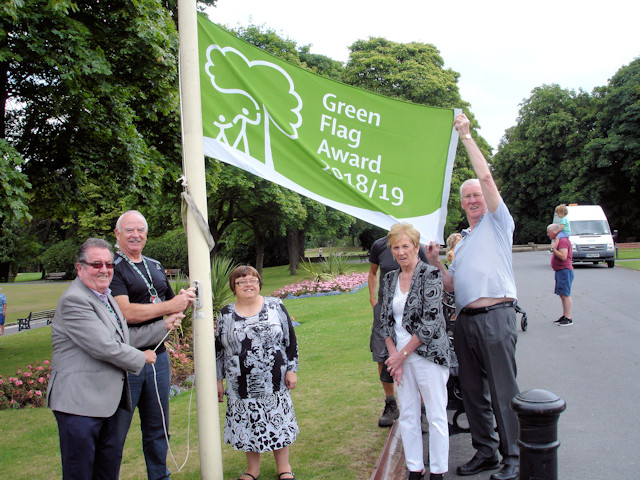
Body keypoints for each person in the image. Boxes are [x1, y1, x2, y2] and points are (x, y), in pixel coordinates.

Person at [427, 113, 520, 480]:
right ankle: (486, 451)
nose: (471, 199)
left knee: (502, 390)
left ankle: (513, 457)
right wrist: (437, 264)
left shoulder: (500, 225)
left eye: (477, 195)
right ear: (462, 204)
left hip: (497, 316)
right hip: (465, 322)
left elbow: (485, 176)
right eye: (466, 197)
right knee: (473, 392)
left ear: (487, 198)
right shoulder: (462, 242)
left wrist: (465, 136)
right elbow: (452, 286)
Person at [46, 238, 181, 480]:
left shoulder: (105, 297)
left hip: (106, 403)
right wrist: (142, 357)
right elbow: (105, 347)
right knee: (81, 473)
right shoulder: (75, 300)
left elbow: (123, 336)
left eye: (109, 265)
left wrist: (163, 326)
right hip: (79, 405)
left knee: (106, 470)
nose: (104, 270)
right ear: (80, 268)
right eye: (96, 264)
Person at [111, 210, 194, 480]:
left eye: (140, 230)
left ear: (146, 234)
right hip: (127, 360)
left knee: (159, 428)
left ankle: (160, 477)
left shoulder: (155, 265)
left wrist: (181, 300)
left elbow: (168, 302)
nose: (135, 235)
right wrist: (170, 307)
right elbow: (126, 313)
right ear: (117, 234)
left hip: (158, 358)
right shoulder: (113, 268)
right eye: (129, 230)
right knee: (116, 431)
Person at [379, 223, 454, 480]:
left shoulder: (430, 275)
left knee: (435, 414)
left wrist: (401, 356)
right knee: (408, 414)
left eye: (406, 246)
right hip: (399, 358)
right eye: (396, 247)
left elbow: (431, 322)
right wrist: (393, 356)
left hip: (428, 356)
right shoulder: (389, 279)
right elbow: (384, 320)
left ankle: (438, 470)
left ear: (416, 247)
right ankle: (414, 468)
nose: (401, 252)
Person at [216, 266, 299, 480]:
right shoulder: (225, 314)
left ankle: (284, 467)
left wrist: (292, 369)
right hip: (239, 383)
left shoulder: (275, 305)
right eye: (241, 281)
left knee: (277, 421)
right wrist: (218, 380)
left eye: (253, 280)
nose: (248, 284)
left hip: (274, 379)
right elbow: (218, 350)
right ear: (233, 287)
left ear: (259, 283)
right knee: (248, 423)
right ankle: (252, 470)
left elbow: (290, 339)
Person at [368, 235, 429, 427]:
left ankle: (420, 408)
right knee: (381, 354)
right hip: (385, 310)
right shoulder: (379, 245)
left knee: (416, 354)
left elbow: (427, 271)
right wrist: (374, 301)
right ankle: (390, 403)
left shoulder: (415, 244)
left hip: (411, 310)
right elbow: (372, 273)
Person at [547, 224, 574, 326]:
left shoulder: (562, 241)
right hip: (560, 271)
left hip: (564, 270)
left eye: (548, 232)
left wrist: (554, 249)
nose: (548, 234)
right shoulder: (559, 240)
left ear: (554, 232)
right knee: (562, 294)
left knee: (565, 294)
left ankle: (568, 317)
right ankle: (565, 315)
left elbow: (563, 256)